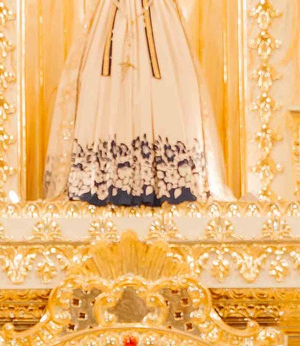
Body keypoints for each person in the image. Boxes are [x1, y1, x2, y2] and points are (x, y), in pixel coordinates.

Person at [43, 0, 226, 206]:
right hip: (112, 19)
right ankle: (104, 180)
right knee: (100, 85)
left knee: (166, 86)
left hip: (157, 17)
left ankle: (163, 181)